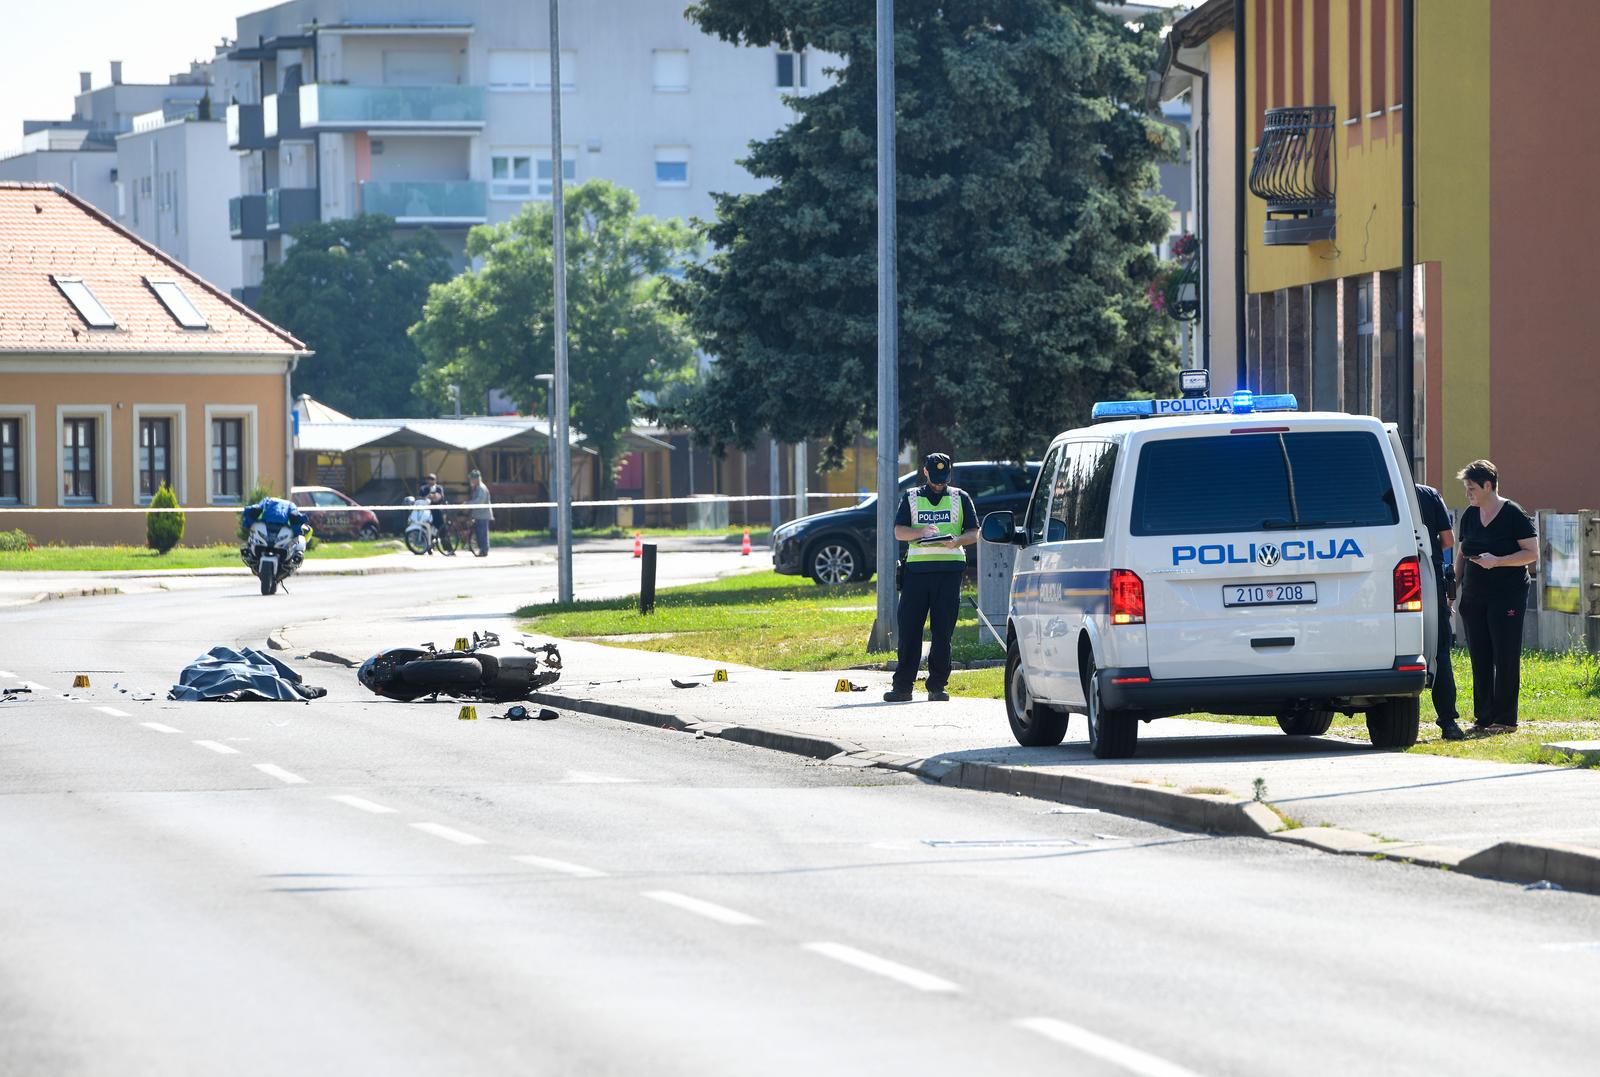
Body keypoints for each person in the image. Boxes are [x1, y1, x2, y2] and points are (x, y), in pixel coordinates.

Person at [884, 452, 979, 703]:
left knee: (942, 632)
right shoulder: (912, 497)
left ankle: (937, 686)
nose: (939, 483)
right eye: (935, 477)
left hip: (949, 572)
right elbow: (898, 532)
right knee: (910, 630)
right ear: (925, 472)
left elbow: (974, 533)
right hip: (917, 573)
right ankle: (903, 687)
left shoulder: (961, 497)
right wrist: (921, 531)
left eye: (943, 478)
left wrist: (957, 540)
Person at [1455, 459, 1537, 733]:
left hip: (1507, 595)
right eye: (1466, 488)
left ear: (1488, 485)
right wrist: (1454, 588)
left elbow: (1531, 553)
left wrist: (1498, 561)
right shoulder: (1469, 515)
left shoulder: (1513, 513)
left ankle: (1505, 719)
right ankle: (1484, 717)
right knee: (1479, 655)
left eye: (1472, 488)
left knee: (1504, 655)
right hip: (1474, 595)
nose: (1468, 493)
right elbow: (1462, 552)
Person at [1415, 482, 1465, 741]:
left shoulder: (1374, 488)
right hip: (1427, 575)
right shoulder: (1427, 494)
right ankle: (1448, 722)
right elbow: (1447, 540)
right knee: (1440, 650)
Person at [240, 495, 310, 561]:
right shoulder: (290, 505)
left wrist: (247, 524)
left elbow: (255, 509)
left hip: (266, 526)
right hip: (280, 529)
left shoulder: (267, 501)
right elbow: (296, 517)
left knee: (252, 539)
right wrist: (296, 534)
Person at [416, 473, 453, 554]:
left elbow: (439, 498)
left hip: (437, 512)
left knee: (442, 531)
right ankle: (428, 548)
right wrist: (428, 496)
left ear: (435, 480)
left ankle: (449, 549)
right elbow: (419, 498)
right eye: (429, 479)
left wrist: (433, 497)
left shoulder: (439, 488)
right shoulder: (423, 488)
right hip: (426, 513)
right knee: (428, 531)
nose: (430, 481)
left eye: (432, 479)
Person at [466, 469, 494, 557]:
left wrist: (468, 503)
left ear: (477, 479)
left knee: (482, 533)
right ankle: (482, 549)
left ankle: (484, 550)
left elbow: (480, 501)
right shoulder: (477, 488)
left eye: (472, 479)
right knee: (479, 533)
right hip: (479, 514)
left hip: (483, 515)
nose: (471, 481)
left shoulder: (481, 488)